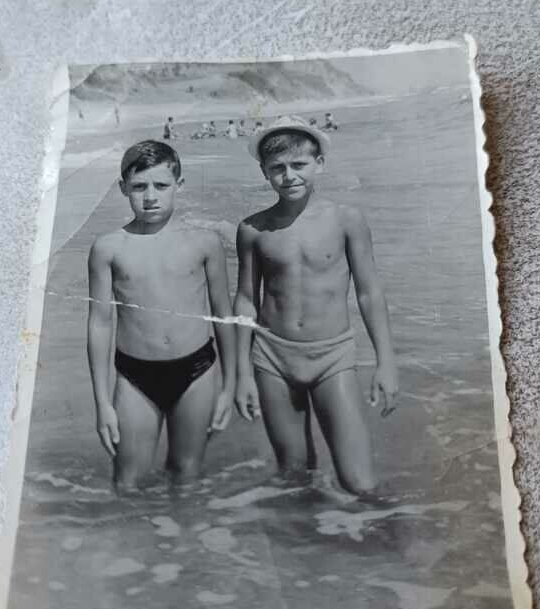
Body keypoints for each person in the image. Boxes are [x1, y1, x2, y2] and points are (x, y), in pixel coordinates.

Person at [233, 116, 398, 495]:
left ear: (319, 163)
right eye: (277, 168)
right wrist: (242, 373)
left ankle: (388, 549)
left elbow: (370, 292)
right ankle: (311, 549)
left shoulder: (346, 220)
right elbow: (246, 298)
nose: (289, 175)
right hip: (272, 359)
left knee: (359, 482)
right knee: (294, 477)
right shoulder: (253, 229)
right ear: (264, 172)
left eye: (299, 165)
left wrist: (386, 363)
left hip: (332, 356)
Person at [87, 140, 235, 491]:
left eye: (161, 186)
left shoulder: (204, 242)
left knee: (186, 476)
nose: (150, 196)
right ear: (123, 188)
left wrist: (230, 385)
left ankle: (177, 544)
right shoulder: (109, 248)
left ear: (179, 186)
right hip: (135, 377)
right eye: (139, 187)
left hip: (197, 372)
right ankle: (133, 545)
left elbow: (223, 314)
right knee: (127, 482)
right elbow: (99, 323)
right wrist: (102, 403)